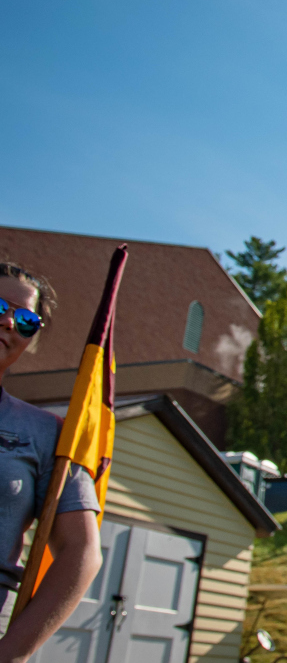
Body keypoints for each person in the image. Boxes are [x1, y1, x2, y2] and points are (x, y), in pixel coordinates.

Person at [0, 263, 102, 659]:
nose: (10, 322)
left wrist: (12, 653)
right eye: (0, 307)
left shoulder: (46, 434)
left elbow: (82, 551)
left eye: (26, 319)